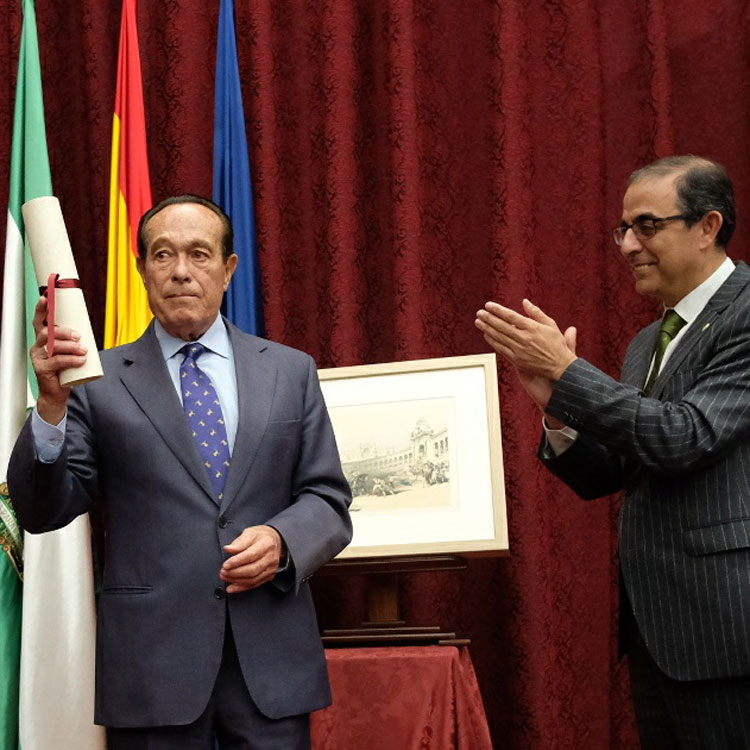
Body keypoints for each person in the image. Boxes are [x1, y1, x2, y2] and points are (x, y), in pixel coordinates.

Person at [9, 195, 353, 750]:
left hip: (270, 666)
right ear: (142, 269)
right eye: (162, 255)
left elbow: (328, 498)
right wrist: (50, 405)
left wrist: (283, 539)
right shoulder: (97, 385)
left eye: (199, 253)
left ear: (228, 269)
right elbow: (41, 510)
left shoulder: (291, 371)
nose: (181, 271)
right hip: (151, 671)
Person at [475, 156, 750, 748]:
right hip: (659, 634)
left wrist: (570, 372)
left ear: (708, 226)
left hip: (729, 632)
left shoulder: (747, 315)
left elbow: (686, 436)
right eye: (622, 230)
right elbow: (617, 472)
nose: (627, 245)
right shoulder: (649, 339)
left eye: (647, 226)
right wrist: (557, 407)